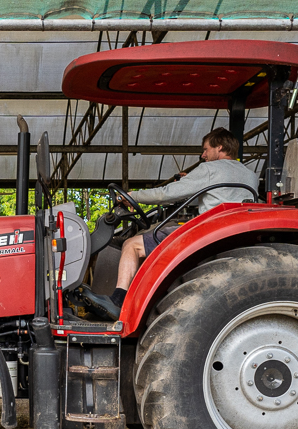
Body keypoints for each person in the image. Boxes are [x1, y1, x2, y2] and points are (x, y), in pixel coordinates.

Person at [91, 127, 258, 316]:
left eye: (206, 149)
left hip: (207, 231)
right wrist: (191, 181)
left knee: (132, 244)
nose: (203, 155)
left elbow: (166, 194)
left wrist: (133, 196)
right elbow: (217, 197)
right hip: (230, 231)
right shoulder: (249, 174)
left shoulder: (209, 169)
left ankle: (118, 299)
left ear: (219, 148)